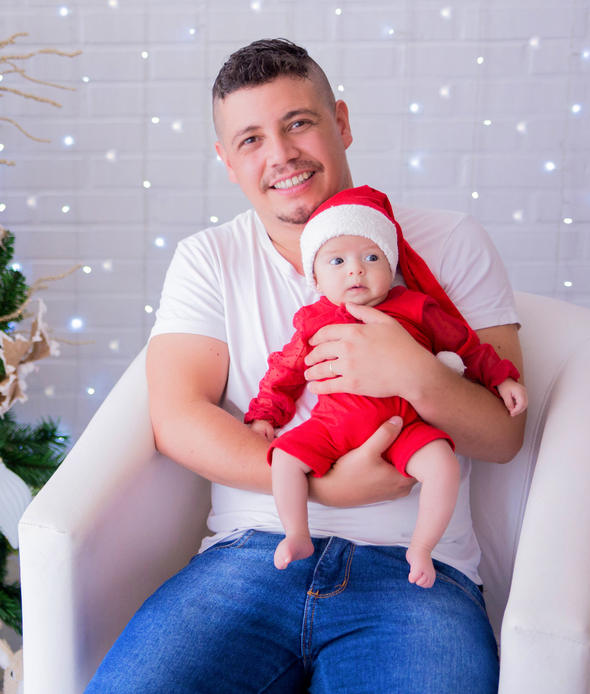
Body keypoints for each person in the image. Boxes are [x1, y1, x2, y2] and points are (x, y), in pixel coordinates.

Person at [85, 38, 526, 694]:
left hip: (416, 580)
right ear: (227, 162)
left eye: (299, 124)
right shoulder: (210, 259)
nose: (281, 155)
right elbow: (177, 418)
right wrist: (326, 487)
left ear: (341, 123)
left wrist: (415, 373)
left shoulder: (450, 241)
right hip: (248, 558)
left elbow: (504, 435)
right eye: (251, 139)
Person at [247, 186, 527, 587]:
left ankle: (422, 547)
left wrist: (502, 377)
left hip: (404, 425)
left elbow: (466, 345)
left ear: (390, 263)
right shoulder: (314, 319)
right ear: (316, 277)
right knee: (285, 460)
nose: (355, 270)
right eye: (337, 261)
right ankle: (296, 533)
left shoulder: (416, 307)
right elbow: (286, 372)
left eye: (371, 257)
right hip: (332, 426)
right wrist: (263, 416)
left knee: (442, 465)